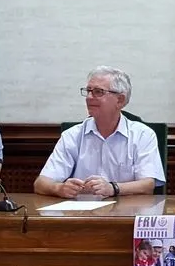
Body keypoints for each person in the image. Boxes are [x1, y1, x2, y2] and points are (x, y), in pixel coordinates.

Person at [33, 66, 165, 198]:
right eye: (88, 91)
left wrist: (113, 188)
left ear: (120, 100)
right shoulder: (72, 136)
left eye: (98, 92)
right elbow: (40, 183)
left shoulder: (142, 135)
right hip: (81, 210)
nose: (89, 97)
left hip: (126, 209)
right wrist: (59, 188)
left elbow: (148, 185)